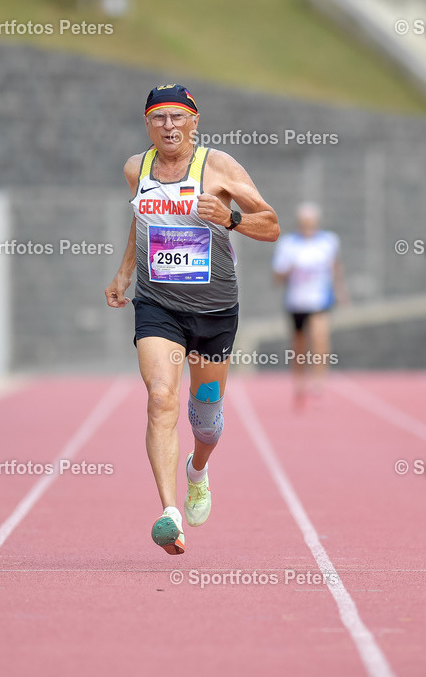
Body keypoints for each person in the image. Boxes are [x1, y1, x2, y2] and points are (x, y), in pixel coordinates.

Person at [105, 84, 279, 554]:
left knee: (207, 420)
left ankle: (197, 471)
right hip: (157, 304)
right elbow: (141, 221)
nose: (169, 126)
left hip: (214, 310)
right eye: (158, 118)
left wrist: (230, 218)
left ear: (194, 122)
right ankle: (169, 514)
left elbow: (271, 225)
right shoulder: (136, 168)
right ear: (147, 124)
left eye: (177, 117)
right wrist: (124, 272)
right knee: (161, 398)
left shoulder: (218, 167)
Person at [271, 202, 347, 407]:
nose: (308, 226)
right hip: (296, 301)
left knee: (320, 337)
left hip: (319, 300)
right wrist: (290, 269)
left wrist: (340, 291)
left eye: (311, 223)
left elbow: (335, 267)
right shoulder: (288, 244)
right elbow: (277, 277)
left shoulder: (329, 241)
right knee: (299, 346)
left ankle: (319, 381)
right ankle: (299, 381)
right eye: (305, 223)